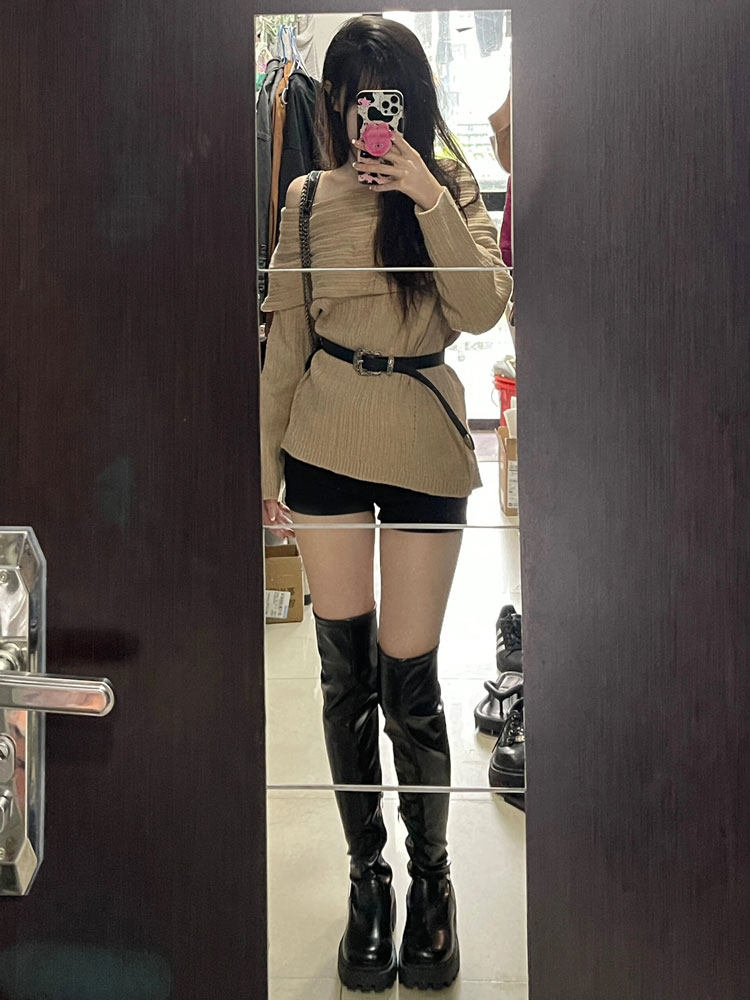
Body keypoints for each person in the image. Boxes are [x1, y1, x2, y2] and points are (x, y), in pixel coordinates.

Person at [261, 16, 512, 993]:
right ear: (333, 106)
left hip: (420, 443)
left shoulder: (449, 189)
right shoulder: (304, 201)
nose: (369, 115)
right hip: (323, 439)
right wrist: (262, 471)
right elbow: (286, 342)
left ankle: (432, 883)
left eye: (386, 96)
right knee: (344, 676)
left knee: (411, 683)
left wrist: (426, 192)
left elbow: (482, 308)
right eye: (353, 95)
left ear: (411, 104)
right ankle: (368, 881)